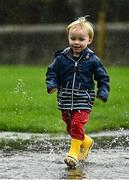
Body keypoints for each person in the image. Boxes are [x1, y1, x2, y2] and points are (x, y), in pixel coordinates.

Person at [45, 16, 110, 168]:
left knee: (76, 124)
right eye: (73, 38)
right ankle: (86, 142)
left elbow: (103, 77)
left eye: (81, 39)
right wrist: (52, 84)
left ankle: (73, 153)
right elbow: (51, 72)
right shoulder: (62, 58)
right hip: (65, 98)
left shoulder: (92, 59)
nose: (76, 42)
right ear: (68, 38)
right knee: (70, 126)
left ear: (89, 40)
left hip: (84, 99)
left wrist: (103, 91)